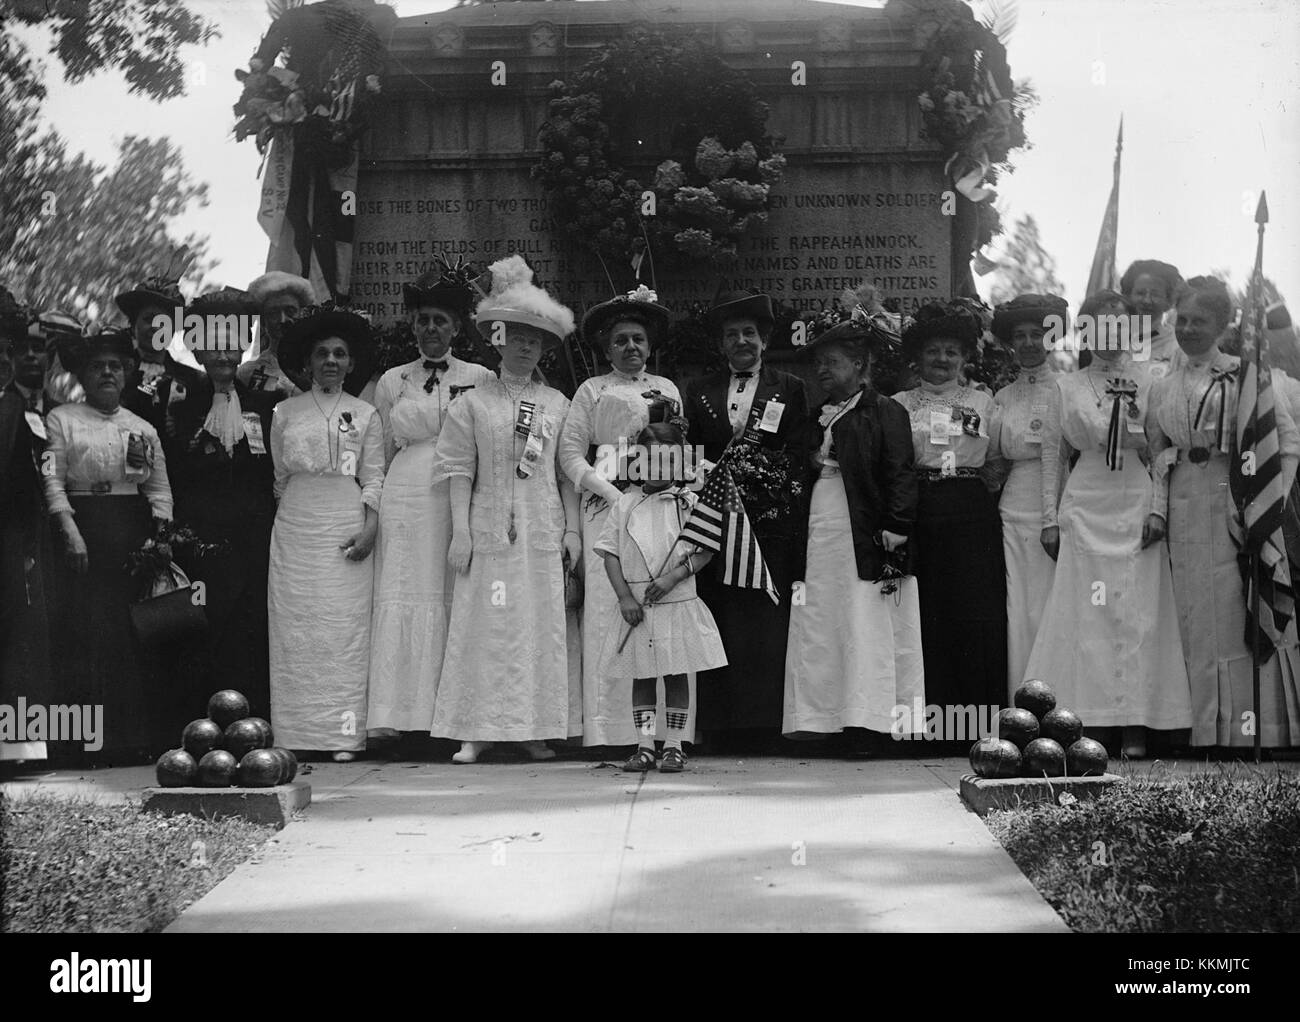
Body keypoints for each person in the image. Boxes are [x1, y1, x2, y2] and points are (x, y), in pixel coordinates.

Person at [1026, 291, 1192, 758]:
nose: (1111, 334)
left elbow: (1161, 448)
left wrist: (1158, 507)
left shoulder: (1151, 379)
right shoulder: (1067, 385)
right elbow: (1052, 454)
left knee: (1136, 612)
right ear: (1085, 331)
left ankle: (1137, 723)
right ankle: (1090, 720)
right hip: (1087, 497)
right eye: (1100, 325)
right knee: (1088, 613)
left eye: (1120, 325)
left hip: (1135, 496)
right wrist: (1049, 519)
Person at [430, 255, 581, 764]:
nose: (523, 347)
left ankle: (534, 728)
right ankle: (477, 729)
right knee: (486, 624)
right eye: (514, 337)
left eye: (533, 340)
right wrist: (460, 532)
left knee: (537, 626)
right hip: (488, 524)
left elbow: (566, 473)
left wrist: (573, 533)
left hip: (542, 525)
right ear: (498, 340)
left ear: (543, 348)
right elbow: (457, 469)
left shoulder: (558, 403)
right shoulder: (472, 402)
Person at [1148, 277, 1300, 749]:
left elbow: (1287, 442)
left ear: (1224, 324)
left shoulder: (1246, 376)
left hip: (1236, 496)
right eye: (1183, 320)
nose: (1189, 329)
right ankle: (1197, 728)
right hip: (1181, 499)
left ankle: (1254, 729)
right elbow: (1156, 451)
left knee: (1235, 602)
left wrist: (1267, 503)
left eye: (1201, 321)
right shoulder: (1161, 386)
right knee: (1190, 610)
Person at [366, 266, 495, 750]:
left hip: (458, 495)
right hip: (406, 496)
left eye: (440, 320)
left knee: (452, 592)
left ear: (457, 327)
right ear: (413, 326)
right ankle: (397, 715)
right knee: (405, 590)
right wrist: (373, 510)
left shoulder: (479, 377)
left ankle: (450, 715)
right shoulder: (392, 380)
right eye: (423, 321)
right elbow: (378, 450)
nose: (431, 329)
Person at [559, 284, 692, 748]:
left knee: (662, 606)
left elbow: (679, 450)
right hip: (609, 506)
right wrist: (611, 493)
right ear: (606, 348)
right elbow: (571, 456)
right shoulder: (591, 390)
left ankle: (669, 737)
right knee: (614, 608)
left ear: (649, 344)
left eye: (638, 339)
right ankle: (614, 730)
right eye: (620, 341)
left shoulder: (667, 389)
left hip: (658, 509)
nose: (630, 347)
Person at [783, 317, 922, 750]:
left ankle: (871, 721)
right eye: (819, 363)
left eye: (832, 362)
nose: (822, 370)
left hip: (864, 527)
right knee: (824, 617)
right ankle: (822, 719)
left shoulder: (884, 410)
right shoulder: (817, 414)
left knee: (865, 619)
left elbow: (900, 470)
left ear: (859, 364)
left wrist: (897, 525)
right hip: (821, 525)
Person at [682, 291, 809, 745]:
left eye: (750, 334)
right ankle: (719, 727)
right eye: (732, 334)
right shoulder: (699, 390)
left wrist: (763, 483)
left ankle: (765, 725)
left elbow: (797, 454)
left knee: (764, 621)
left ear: (765, 340)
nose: (742, 341)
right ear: (721, 344)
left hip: (768, 523)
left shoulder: (789, 388)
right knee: (720, 615)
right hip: (716, 521)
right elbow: (690, 450)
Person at [43, 329, 175, 763]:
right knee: (86, 633)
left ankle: (132, 740)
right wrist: (70, 530)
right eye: (97, 366)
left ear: (126, 374)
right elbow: (52, 479)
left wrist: (159, 540)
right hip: (83, 531)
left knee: (130, 635)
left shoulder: (142, 427)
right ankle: (82, 746)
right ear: (82, 374)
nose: (106, 373)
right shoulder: (60, 419)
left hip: (130, 532)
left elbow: (159, 491)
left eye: (114, 366)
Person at [268, 306, 384, 762]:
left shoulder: (366, 413)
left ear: (351, 364)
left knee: (342, 628)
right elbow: (279, 475)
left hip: (345, 520)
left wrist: (370, 529)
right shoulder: (284, 411)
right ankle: (294, 733)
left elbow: (374, 476)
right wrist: (293, 518)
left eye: (339, 354)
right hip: (297, 525)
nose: (331, 361)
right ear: (308, 363)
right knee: (295, 627)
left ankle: (342, 735)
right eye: (322, 354)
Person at [165, 287, 282, 720]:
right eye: (213, 343)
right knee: (207, 632)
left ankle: (254, 722)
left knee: (251, 630)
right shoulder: (183, 410)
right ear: (198, 351)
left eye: (231, 343)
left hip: (254, 539)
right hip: (204, 543)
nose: (223, 354)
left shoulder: (265, 406)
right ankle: (205, 723)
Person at [891, 300, 1006, 727]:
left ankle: (975, 721)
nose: (942, 359)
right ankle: (926, 722)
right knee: (926, 610)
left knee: (972, 609)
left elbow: (995, 461)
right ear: (918, 356)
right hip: (920, 508)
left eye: (951, 352)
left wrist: (974, 493)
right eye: (933, 351)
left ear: (964, 357)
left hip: (970, 509)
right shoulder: (899, 403)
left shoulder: (982, 400)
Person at [595, 422, 726, 773]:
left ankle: (673, 744)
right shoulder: (625, 504)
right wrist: (625, 597)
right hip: (639, 605)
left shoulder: (689, 503)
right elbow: (610, 553)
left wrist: (673, 576)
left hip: (676, 599)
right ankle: (645, 744)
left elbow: (705, 550)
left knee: (676, 674)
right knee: (643, 676)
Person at [990, 294, 1068, 693]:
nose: (1028, 343)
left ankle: (1058, 699)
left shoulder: (1066, 389)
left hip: (1054, 506)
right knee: (1017, 608)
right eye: (1019, 335)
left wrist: (1054, 515)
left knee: (1050, 605)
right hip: (1012, 508)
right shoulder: (1001, 397)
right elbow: (994, 460)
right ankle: (1020, 703)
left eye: (1037, 334)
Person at [0, 290, 51, 764]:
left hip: (31, 543)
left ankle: (26, 747)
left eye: (40, 349)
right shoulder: (10, 410)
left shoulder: (39, 410)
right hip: (11, 540)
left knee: (29, 642)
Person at [114, 273, 201, 433]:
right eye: (148, 319)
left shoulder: (193, 380)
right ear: (133, 326)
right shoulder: (114, 371)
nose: (155, 327)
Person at [241, 272, 313, 396]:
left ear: (302, 314)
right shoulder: (249, 372)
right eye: (273, 313)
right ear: (263, 322)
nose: (283, 320)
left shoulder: (320, 361)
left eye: (290, 311)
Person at [1121, 259, 1183, 377]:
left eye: (1155, 295)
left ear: (1168, 302)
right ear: (1127, 296)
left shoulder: (1178, 347)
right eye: (1140, 293)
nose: (1147, 300)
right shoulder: (1109, 340)